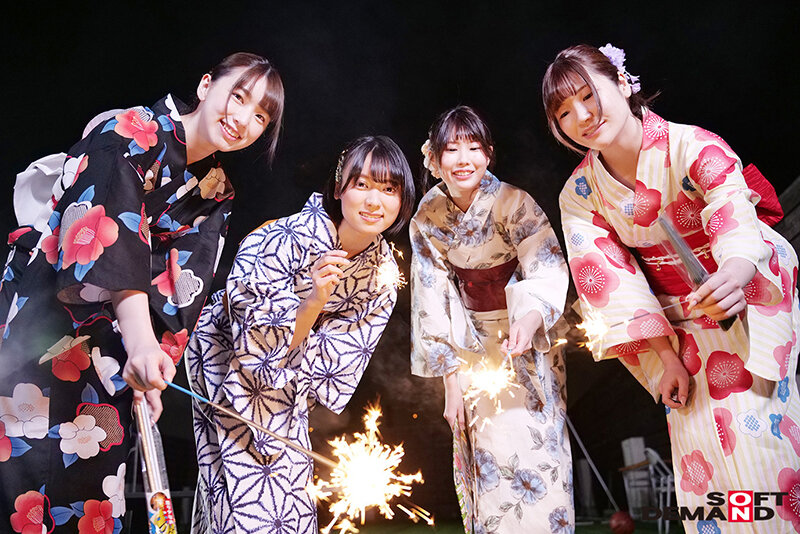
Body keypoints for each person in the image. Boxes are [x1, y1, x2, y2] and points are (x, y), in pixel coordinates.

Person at [0, 52, 284, 532]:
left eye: (260, 117)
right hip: (43, 314)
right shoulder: (129, 131)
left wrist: (151, 367)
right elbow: (109, 235)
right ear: (205, 85)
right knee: (20, 472)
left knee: (93, 487)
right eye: (238, 97)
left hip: (111, 353)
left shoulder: (216, 193)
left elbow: (182, 283)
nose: (242, 119)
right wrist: (141, 344)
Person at [543, 44, 800, 532]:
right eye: (564, 111)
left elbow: (730, 209)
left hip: (745, 292)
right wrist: (665, 358)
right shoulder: (579, 194)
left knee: (757, 439)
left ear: (622, 83)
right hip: (675, 325)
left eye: (588, 95)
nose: (582, 116)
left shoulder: (692, 145)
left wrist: (735, 272)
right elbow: (612, 281)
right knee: (700, 452)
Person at [186, 135, 415, 533]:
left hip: (289, 387)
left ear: (403, 199)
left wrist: (305, 329)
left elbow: (333, 363)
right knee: (242, 505)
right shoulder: (282, 239)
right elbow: (254, 348)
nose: (373, 201)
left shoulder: (382, 276)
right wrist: (312, 302)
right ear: (339, 189)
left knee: (292, 506)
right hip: (228, 366)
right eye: (361, 184)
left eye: (388, 189)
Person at [410, 106, 574, 533]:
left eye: (473, 147)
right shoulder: (428, 217)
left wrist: (531, 319)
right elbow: (432, 298)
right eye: (451, 149)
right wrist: (451, 384)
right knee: (487, 452)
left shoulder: (515, 203)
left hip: (527, 338)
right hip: (472, 346)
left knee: (542, 450)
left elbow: (547, 268)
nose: (463, 159)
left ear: (488, 153)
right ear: (435, 158)